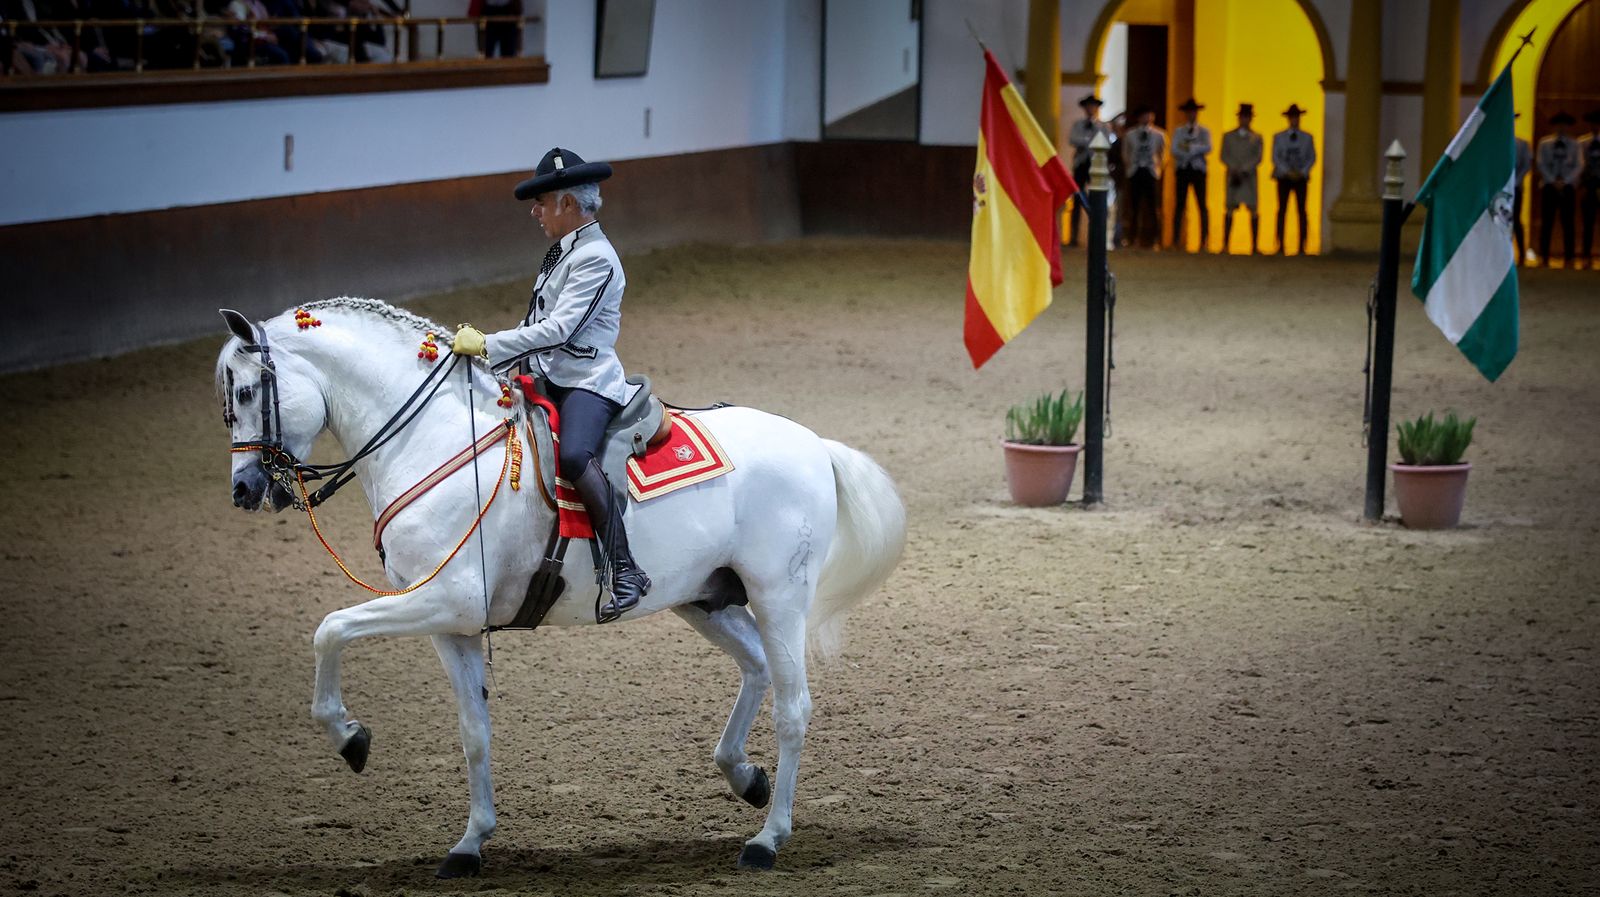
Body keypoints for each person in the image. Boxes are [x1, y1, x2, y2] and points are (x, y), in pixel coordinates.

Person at [451, 148, 649, 621]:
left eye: (541, 202)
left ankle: (623, 568)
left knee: (576, 455)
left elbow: (560, 329)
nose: (535, 212)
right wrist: (495, 365)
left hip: (587, 381)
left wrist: (488, 344)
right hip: (549, 374)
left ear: (566, 203)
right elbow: (535, 321)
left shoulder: (596, 258)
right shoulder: (562, 251)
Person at [1066, 94, 1113, 248]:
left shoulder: (1103, 126)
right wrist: (1089, 141)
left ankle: (1099, 236)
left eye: (1093, 106)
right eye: (1088, 106)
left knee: (1098, 200)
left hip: (1096, 166)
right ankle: (1074, 236)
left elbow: (1106, 143)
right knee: (1078, 198)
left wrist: (1085, 141)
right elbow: (1073, 139)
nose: (1090, 109)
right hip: (1081, 164)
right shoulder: (1078, 124)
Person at [1536, 111, 1581, 269]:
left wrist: (1566, 181)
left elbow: (1579, 165)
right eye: (1559, 124)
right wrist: (1552, 180)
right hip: (1549, 185)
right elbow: (1540, 163)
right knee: (1547, 222)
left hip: (1568, 187)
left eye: (1564, 124)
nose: (1561, 127)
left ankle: (1569, 258)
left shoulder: (1575, 144)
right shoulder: (1545, 143)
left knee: (1568, 222)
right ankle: (1544, 256)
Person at [1271, 103, 1316, 255]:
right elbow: (1275, 157)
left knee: (1301, 211)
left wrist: (1302, 172)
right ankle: (1280, 244)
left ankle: (1302, 245)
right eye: (1292, 117)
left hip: (1300, 178)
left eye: (1296, 117)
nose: (1294, 120)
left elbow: (1312, 157)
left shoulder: (1307, 138)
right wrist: (1287, 171)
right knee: (1282, 210)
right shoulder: (1279, 137)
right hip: (1284, 178)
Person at [1221, 102, 1264, 255]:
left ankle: (1254, 245)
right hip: (1233, 176)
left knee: (1253, 208)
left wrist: (1245, 168)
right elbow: (1224, 155)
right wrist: (1234, 167)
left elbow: (1258, 157)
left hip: (1248, 177)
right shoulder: (1228, 136)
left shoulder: (1257, 137)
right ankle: (1225, 244)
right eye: (1243, 117)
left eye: (1247, 117)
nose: (1245, 120)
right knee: (1230, 208)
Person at [1171, 97, 1212, 252]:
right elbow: (1174, 149)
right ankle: (1176, 240)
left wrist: (1189, 149)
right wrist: (1193, 150)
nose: (1191, 114)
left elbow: (1208, 147)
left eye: (1193, 112)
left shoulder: (1204, 131)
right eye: (1189, 112)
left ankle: (1204, 241)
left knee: (1202, 205)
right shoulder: (1179, 131)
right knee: (1180, 205)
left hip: (1198, 170)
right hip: (1183, 169)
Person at [1121, 106, 1166, 249]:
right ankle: (1132, 238)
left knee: (1153, 207)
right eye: (1144, 115)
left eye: (1149, 114)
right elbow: (1125, 153)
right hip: (1135, 171)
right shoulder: (1130, 134)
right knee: (1133, 207)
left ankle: (1155, 239)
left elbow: (1164, 154)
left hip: (1151, 172)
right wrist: (1130, 166)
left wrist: (1157, 168)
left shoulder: (1160, 134)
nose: (1147, 118)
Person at [1580, 110, 1599, 270]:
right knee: (1588, 223)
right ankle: (1585, 256)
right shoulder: (1582, 143)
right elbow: (1579, 165)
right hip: (1589, 187)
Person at [1513, 113, 1532, 265]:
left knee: (1516, 221)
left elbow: (1526, 165)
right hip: (1499, 190)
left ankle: (1522, 254)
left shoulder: (1522, 144)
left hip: (1516, 187)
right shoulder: (1495, 143)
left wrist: (1515, 181)